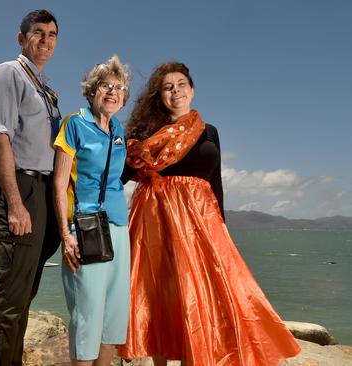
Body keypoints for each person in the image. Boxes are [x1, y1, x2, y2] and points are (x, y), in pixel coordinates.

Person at [117, 61, 301, 365]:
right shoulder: (148, 133)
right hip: (158, 221)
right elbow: (120, 175)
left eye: (181, 84)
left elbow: (216, 183)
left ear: (192, 90)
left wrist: (223, 230)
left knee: (204, 297)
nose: (175, 91)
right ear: (159, 95)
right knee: (158, 295)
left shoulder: (208, 131)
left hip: (202, 225)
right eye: (167, 87)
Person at [0, 9, 62, 366]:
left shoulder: (45, 88)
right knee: (11, 294)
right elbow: (0, 139)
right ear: (21, 38)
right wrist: (16, 204)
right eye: (38, 33)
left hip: (44, 191)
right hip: (22, 187)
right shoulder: (9, 74)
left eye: (52, 35)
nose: (45, 41)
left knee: (25, 291)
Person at [53, 55, 131, 365]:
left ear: (123, 98)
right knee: (87, 314)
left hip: (119, 228)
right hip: (85, 227)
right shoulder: (75, 123)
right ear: (91, 91)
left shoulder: (119, 129)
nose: (112, 92)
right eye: (105, 86)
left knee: (114, 317)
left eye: (119, 87)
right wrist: (65, 235)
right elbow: (59, 185)